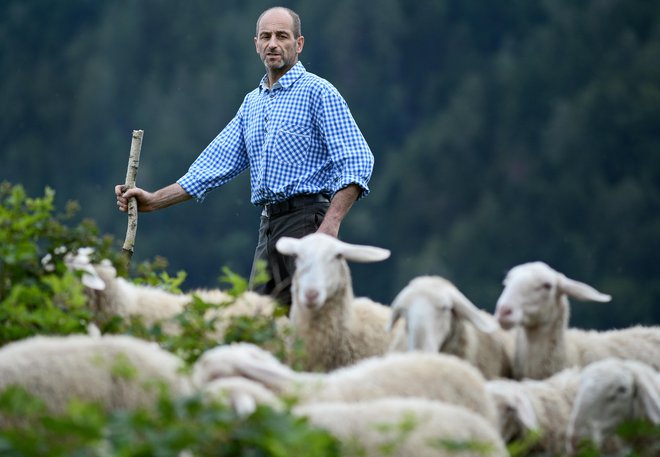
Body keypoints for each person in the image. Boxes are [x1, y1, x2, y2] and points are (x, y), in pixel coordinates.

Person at [115, 6, 374, 306]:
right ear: (256, 44)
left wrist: (329, 227)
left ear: (299, 44)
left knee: (305, 323)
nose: (273, 43)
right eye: (266, 36)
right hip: (268, 226)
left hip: (308, 225)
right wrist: (154, 200)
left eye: (282, 36)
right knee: (258, 324)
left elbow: (357, 161)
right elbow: (212, 166)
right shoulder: (253, 103)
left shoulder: (319, 92)